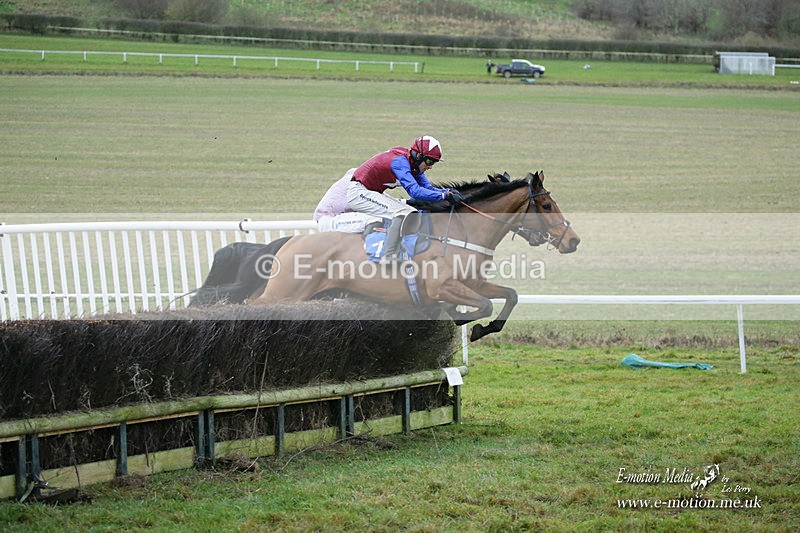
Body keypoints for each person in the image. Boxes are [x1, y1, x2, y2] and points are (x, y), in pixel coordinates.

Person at [346, 135, 463, 263]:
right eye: (429, 162)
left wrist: (446, 192)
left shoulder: (414, 164)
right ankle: (388, 256)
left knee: (411, 212)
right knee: (401, 212)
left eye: (433, 163)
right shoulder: (400, 162)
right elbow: (415, 192)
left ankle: (404, 250)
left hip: (371, 192)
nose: (430, 167)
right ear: (419, 156)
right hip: (359, 193)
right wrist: (443, 196)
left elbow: (427, 187)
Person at [313, 168, 381, 233]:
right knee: (374, 220)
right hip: (329, 220)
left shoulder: (358, 178)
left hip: (337, 218)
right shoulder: (356, 182)